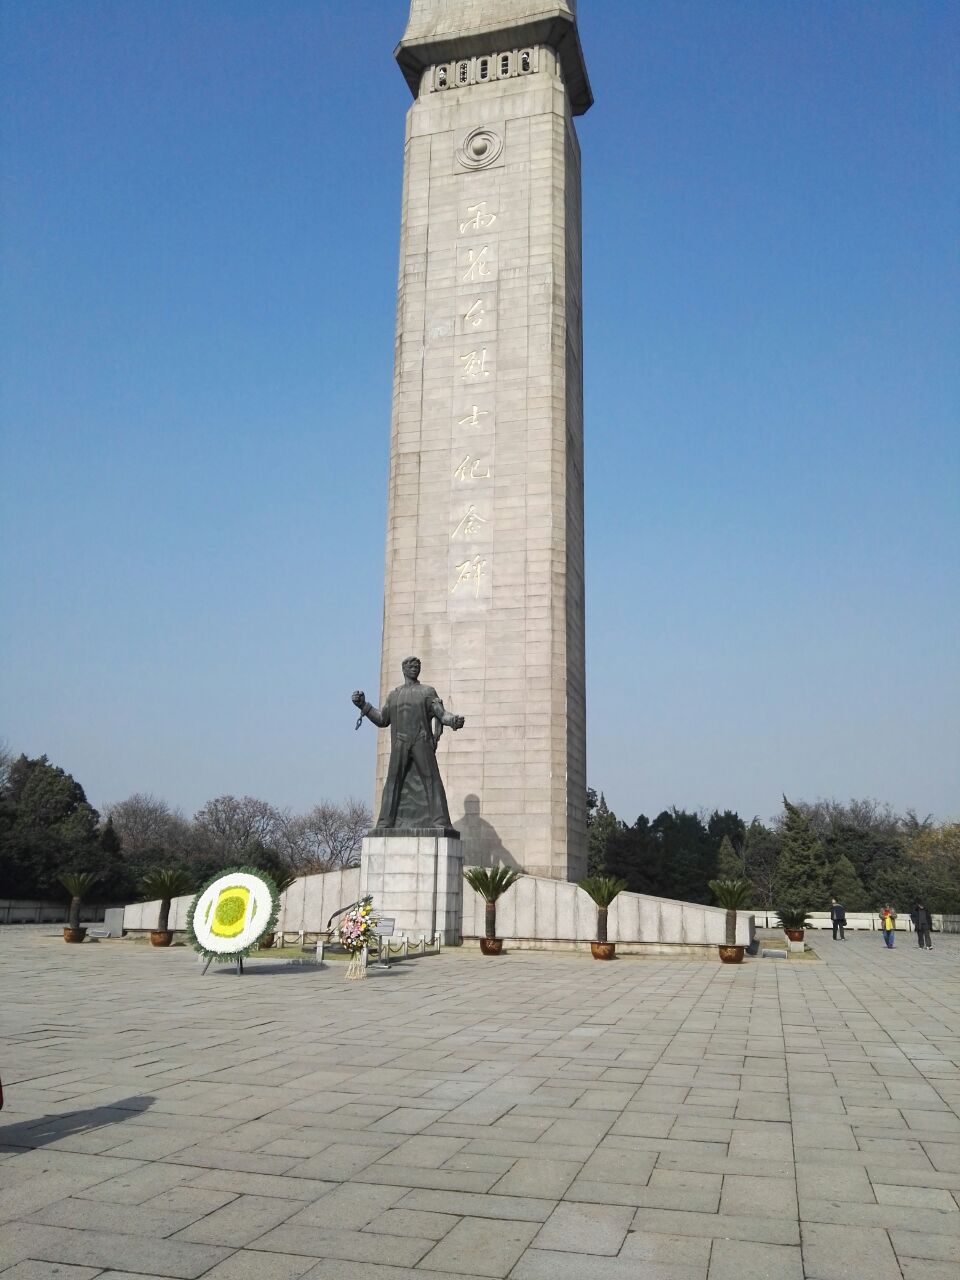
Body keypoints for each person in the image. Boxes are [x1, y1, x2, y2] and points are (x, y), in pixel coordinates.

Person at [352, 657, 465, 831]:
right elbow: (382, 719)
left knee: (432, 779)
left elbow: (441, 714)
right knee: (392, 781)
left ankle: (440, 821)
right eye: (410, 666)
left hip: (421, 740)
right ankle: (385, 822)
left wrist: (453, 721)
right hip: (400, 743)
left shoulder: (428, 692)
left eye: (417, 666)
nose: (414, 668)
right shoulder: (394, 694)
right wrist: (363, 706)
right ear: (403, 669)